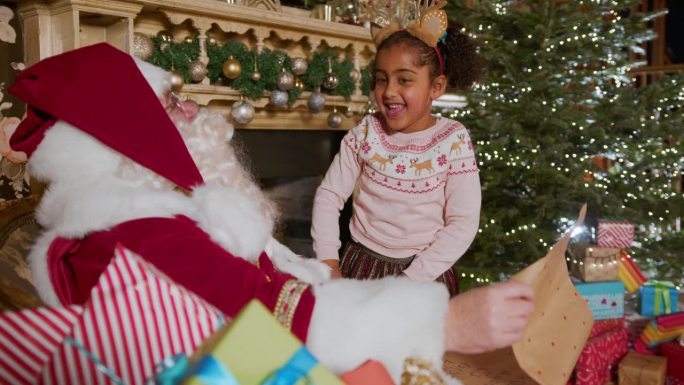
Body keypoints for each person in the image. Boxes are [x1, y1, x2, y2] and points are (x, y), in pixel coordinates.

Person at [8, 43, 533, 383]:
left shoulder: (171, 214)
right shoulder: (135, 237)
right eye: (173, 103)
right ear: (126, 132)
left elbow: (271, 290)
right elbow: (265, 309)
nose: (193, 110)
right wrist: (442, 323)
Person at [311, 9, 483, 296]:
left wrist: (410, 280)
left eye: (404, 80)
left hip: (424, 275)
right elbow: (329, 195)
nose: (389, 91)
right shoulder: (365, 132)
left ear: (436, 87)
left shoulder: (453, 140)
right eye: (381, 79)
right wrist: (329, 261)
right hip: (360, 267)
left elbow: (462, 223)